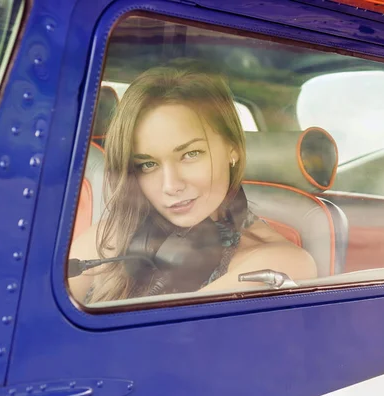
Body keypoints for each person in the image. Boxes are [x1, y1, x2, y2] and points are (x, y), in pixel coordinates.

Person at [68, 60, 317, 304]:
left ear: (233, 149)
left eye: (190, 154)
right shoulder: (113, 234)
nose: (170, 185)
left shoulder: (279, 265)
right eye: (148, 164)